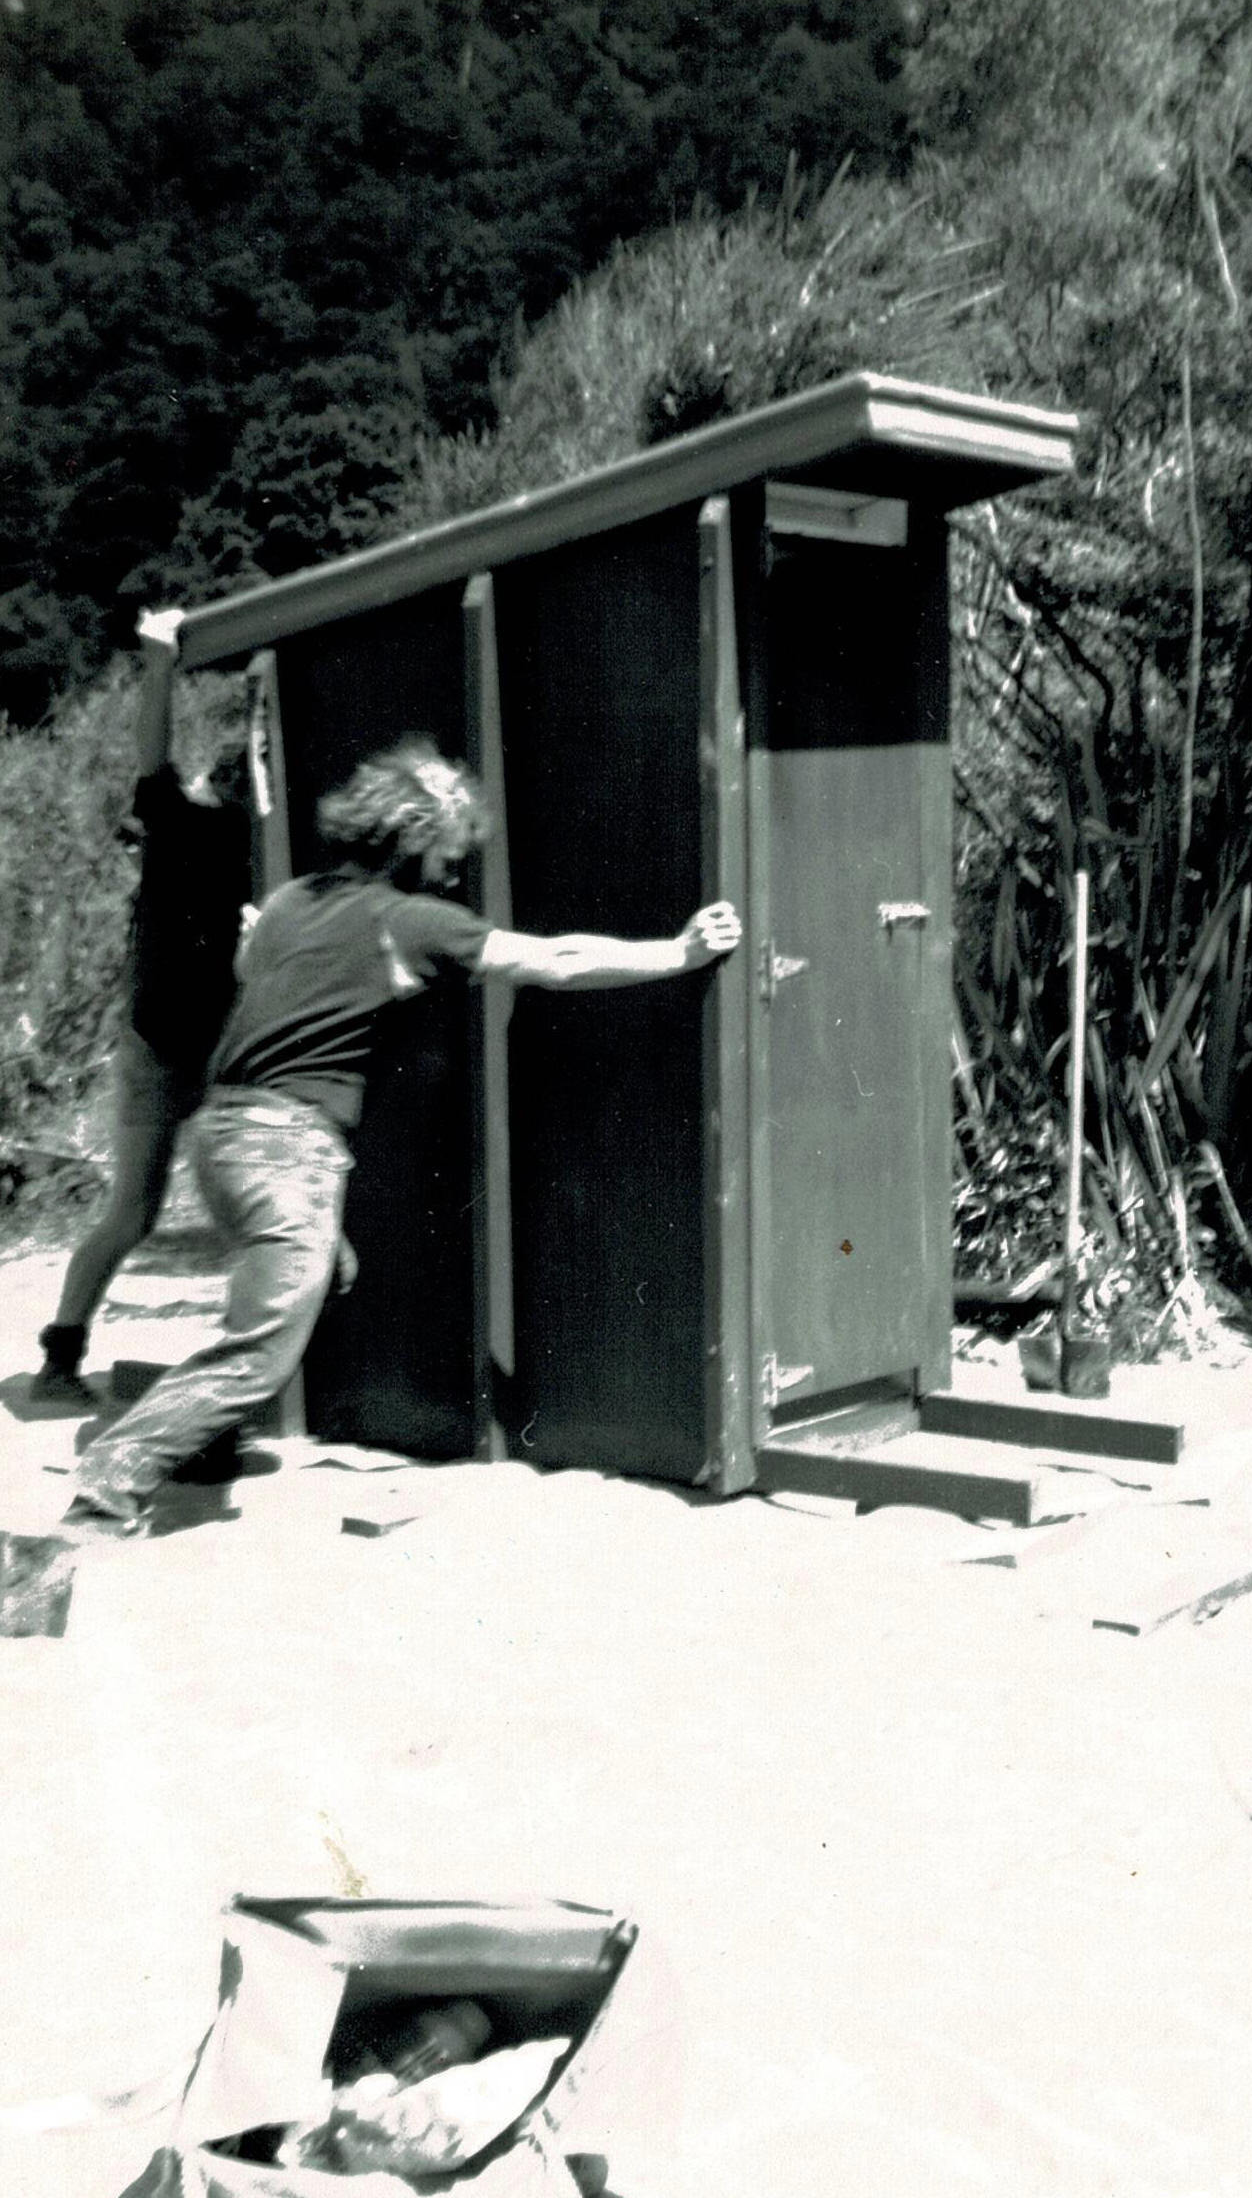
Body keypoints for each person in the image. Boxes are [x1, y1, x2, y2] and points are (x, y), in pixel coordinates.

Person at [63, 738, 741, 1535]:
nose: (455, 874)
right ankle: (107, 1486)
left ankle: (204, 1443)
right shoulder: (411, 920)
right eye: (450, 856)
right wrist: (679, 951)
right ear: (414, 841)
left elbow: (255, 970)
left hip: (224, 1135)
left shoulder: (289, 901)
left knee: (311, 1283)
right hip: (286, 1147)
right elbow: (552, 959)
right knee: (262, 1347)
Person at [31, 608, 254, 1409]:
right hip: (159, 1045)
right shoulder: (175, 816)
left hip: (222, 1042)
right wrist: (160, 662)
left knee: (252, 1197)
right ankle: (61, 1355)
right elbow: (152, 755)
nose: (224, 776)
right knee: (133, 1210)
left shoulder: (243, 835)